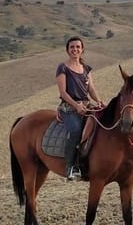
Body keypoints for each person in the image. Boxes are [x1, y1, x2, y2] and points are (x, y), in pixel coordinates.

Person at [56, 36, 104, 180]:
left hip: (86, 106)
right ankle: (70, 167)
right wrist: (76, 105)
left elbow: (91, 89)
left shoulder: (86, 69)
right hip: (68, 108)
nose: (75, 49)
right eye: (72, 47)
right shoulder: (62, 68)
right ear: (67, 50)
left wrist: (100, 101)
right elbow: (63, 93)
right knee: (76, 131)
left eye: (78, 47)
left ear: (82, 49)